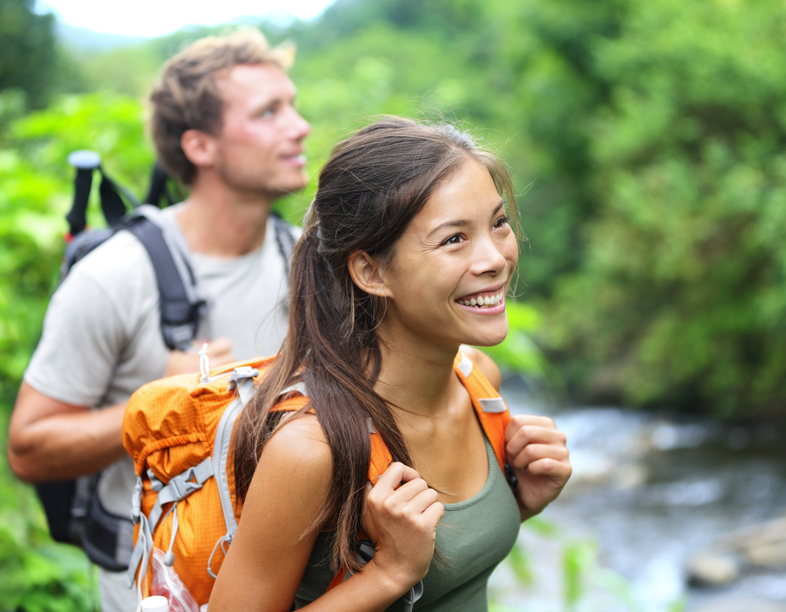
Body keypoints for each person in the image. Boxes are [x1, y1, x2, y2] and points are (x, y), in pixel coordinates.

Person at [209, 116, 572, 611]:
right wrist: (389, 572)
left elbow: (449, 568)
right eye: (453, 239)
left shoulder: (478, 382)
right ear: (371, 271)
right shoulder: (311, 451)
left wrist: (517, 500)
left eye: (498, 223)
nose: (495, 258)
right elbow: (408, 568)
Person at [7, 29, 311, 612]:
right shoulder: (117, 276)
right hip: (157, 588)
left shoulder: (310, 263)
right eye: (269, 112)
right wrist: (173, 402)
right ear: (200, 146)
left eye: (293, 106)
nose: (298, 126)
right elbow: (28, 449)